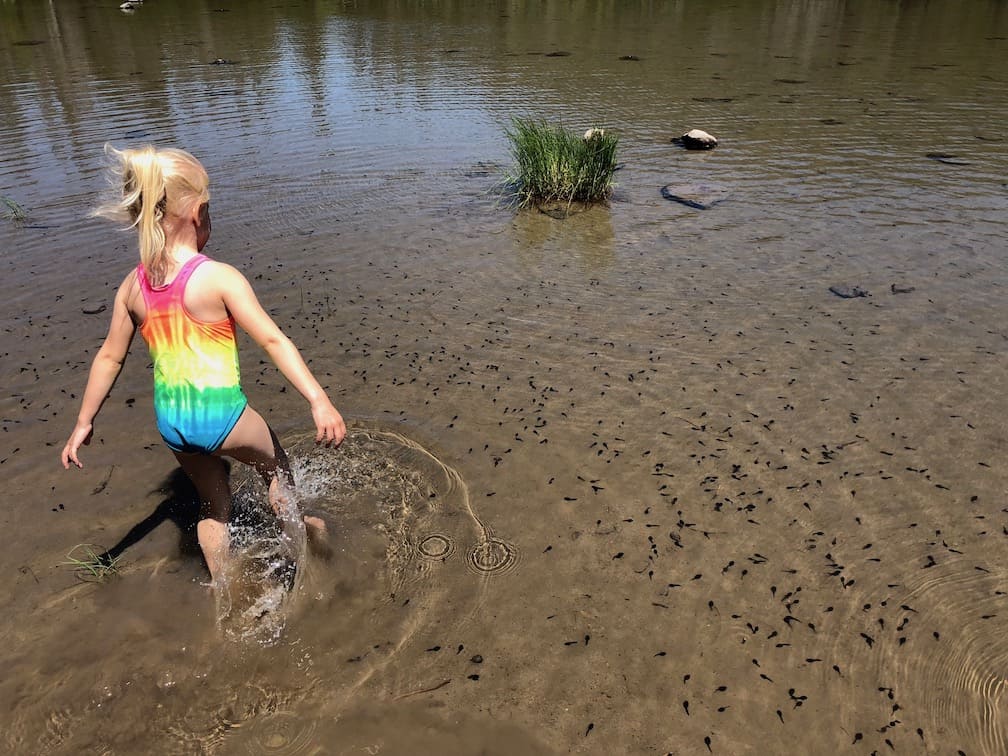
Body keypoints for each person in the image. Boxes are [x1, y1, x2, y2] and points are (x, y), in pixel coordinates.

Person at [61, 145, 346, 583]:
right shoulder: (218, 277)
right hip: (224, 416)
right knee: (280, 475)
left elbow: (109, 356)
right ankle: (306, 561)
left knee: (213, 505)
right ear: (197, 213)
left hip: (173, 422)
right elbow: (272, 339)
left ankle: (223, 589)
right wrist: (319, 399)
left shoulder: (132, 286)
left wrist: (84, 421)